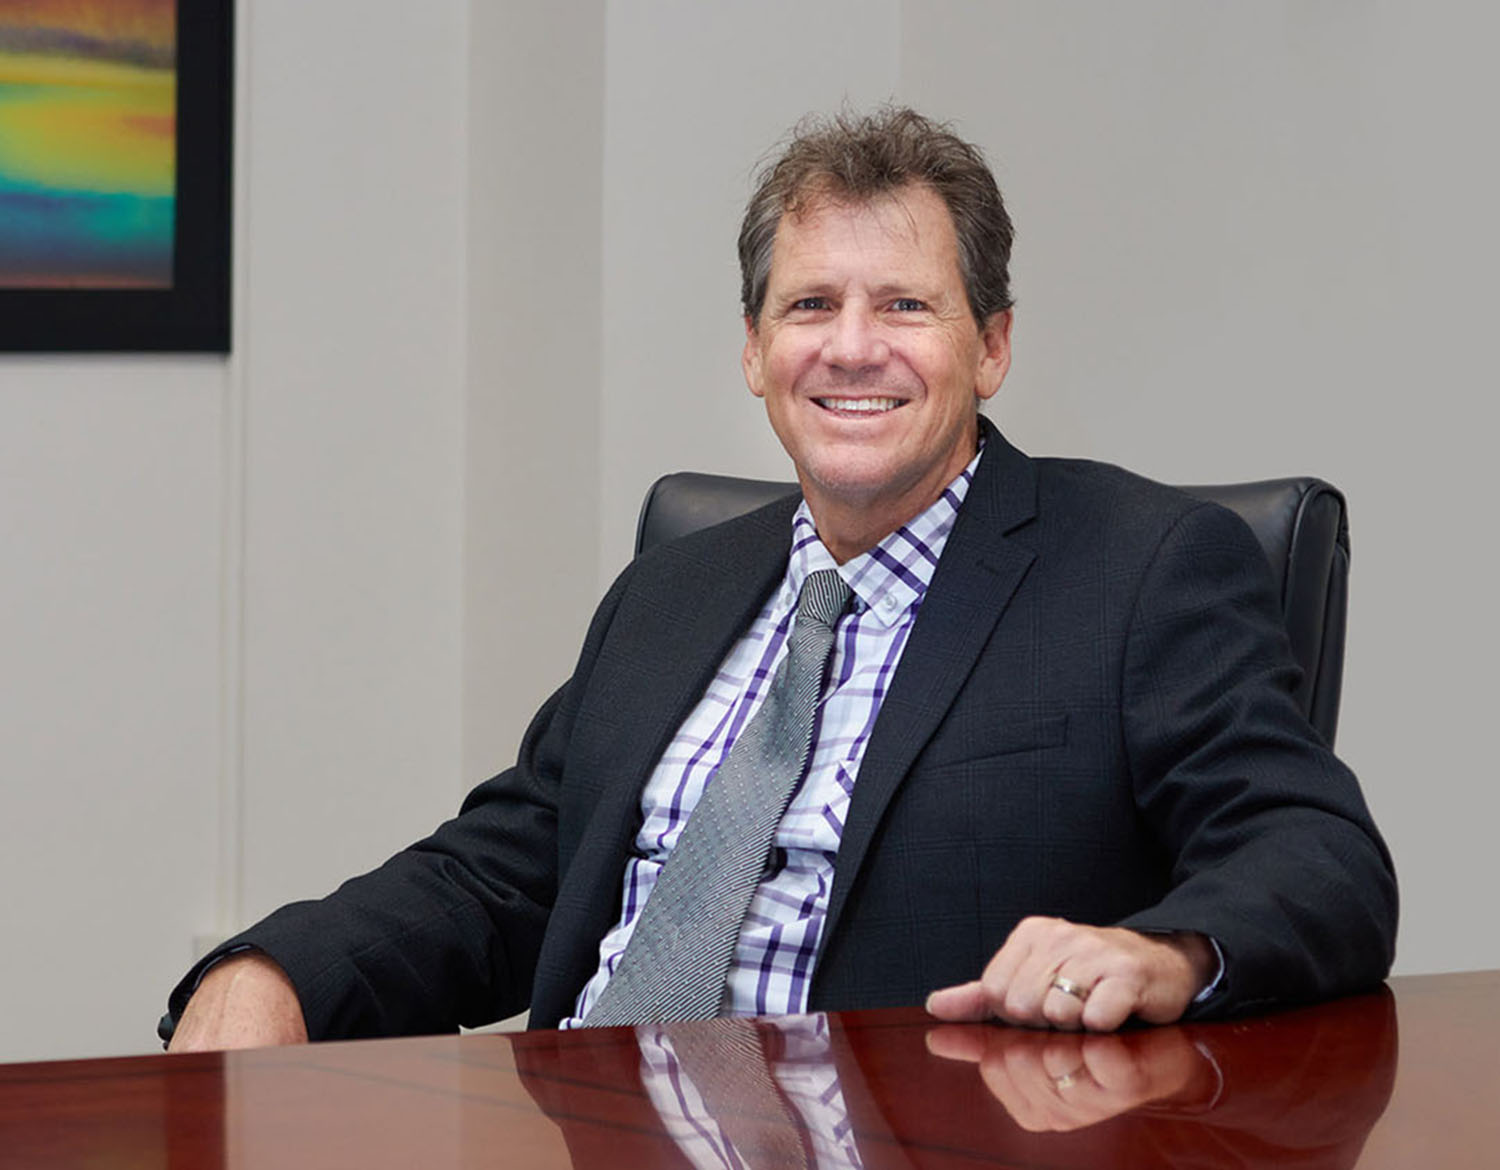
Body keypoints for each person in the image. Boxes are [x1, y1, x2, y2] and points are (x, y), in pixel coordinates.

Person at [164, 107, 1396, 1051]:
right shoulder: (673, 591)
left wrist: (1170, 953)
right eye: (811, 304)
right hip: (585, 1129)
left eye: (906, 304)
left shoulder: (1142, 570)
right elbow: (500, 877)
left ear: (993, 345)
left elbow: (1319, 854)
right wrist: (276, 971)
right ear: (755, 352)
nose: (852, 347)